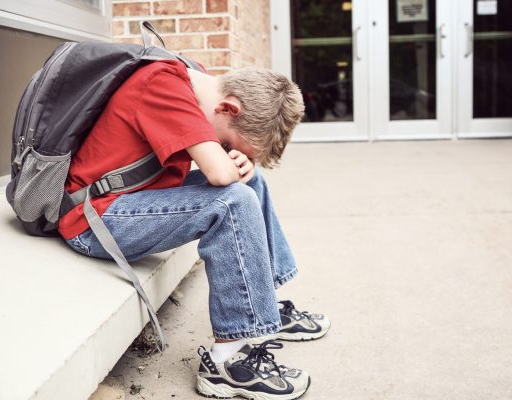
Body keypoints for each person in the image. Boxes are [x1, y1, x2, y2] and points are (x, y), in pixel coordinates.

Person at [58, 58, 331, 400]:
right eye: (228, 143)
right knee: (233, 198)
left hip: (134, 200)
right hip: (94, 220)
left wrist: (243, 162)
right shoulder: (163, 87)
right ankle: (225, 364)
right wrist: (230, 163)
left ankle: (264, 302)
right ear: (228, 108)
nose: (226, 149)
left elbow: (223, 168)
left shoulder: (196, 82)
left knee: (251, 179)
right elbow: (218, 175)